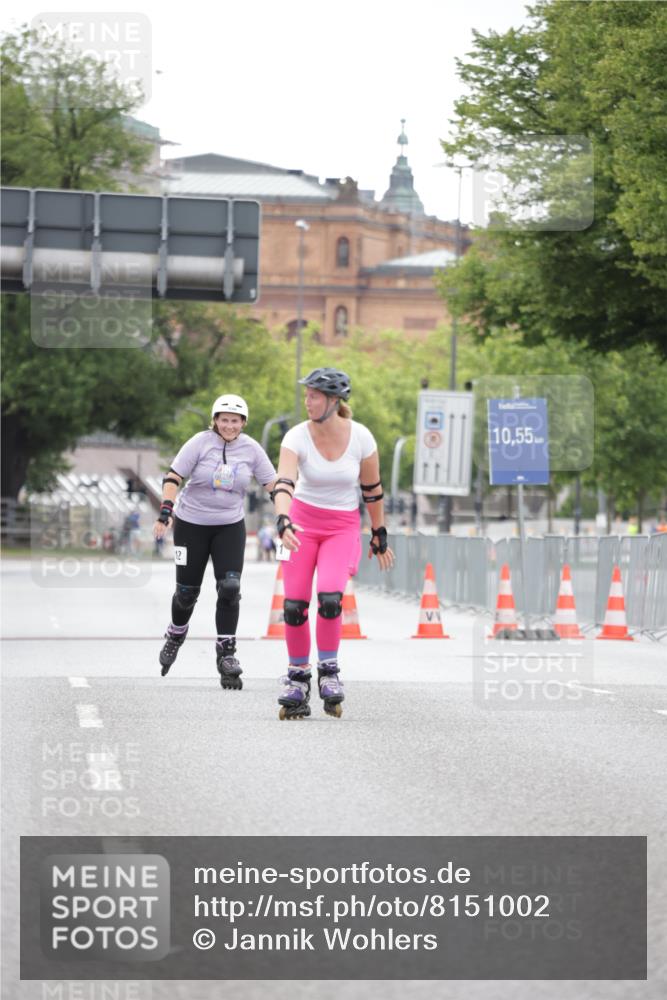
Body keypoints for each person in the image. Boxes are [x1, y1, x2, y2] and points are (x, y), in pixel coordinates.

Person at [272, 367, 394, 720]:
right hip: (301, 526)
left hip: (341, 527)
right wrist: (283, 519)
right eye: (307, 395)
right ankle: (297, 677)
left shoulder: (361, 438)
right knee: (294, 605)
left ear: (333, 400)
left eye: (314, 396)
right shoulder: (296, 436)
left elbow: (372, 491)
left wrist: (379, 532)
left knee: (329, 599)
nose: (307, 401)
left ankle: (329, 671)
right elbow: (284, 483)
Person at [153, 394, 276, 688]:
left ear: (243, 423)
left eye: (235, 421)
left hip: (229, 526)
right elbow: (173, 477)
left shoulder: (252, 449)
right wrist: (166, 512)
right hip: (190, 525)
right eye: (224, 420)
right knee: (186, 593)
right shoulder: (200, 442)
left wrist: (289, 516)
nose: (229, 425)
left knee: (230, 587)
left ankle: (226, 653)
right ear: (215, 420)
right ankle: (176, 632)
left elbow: (274, 484)